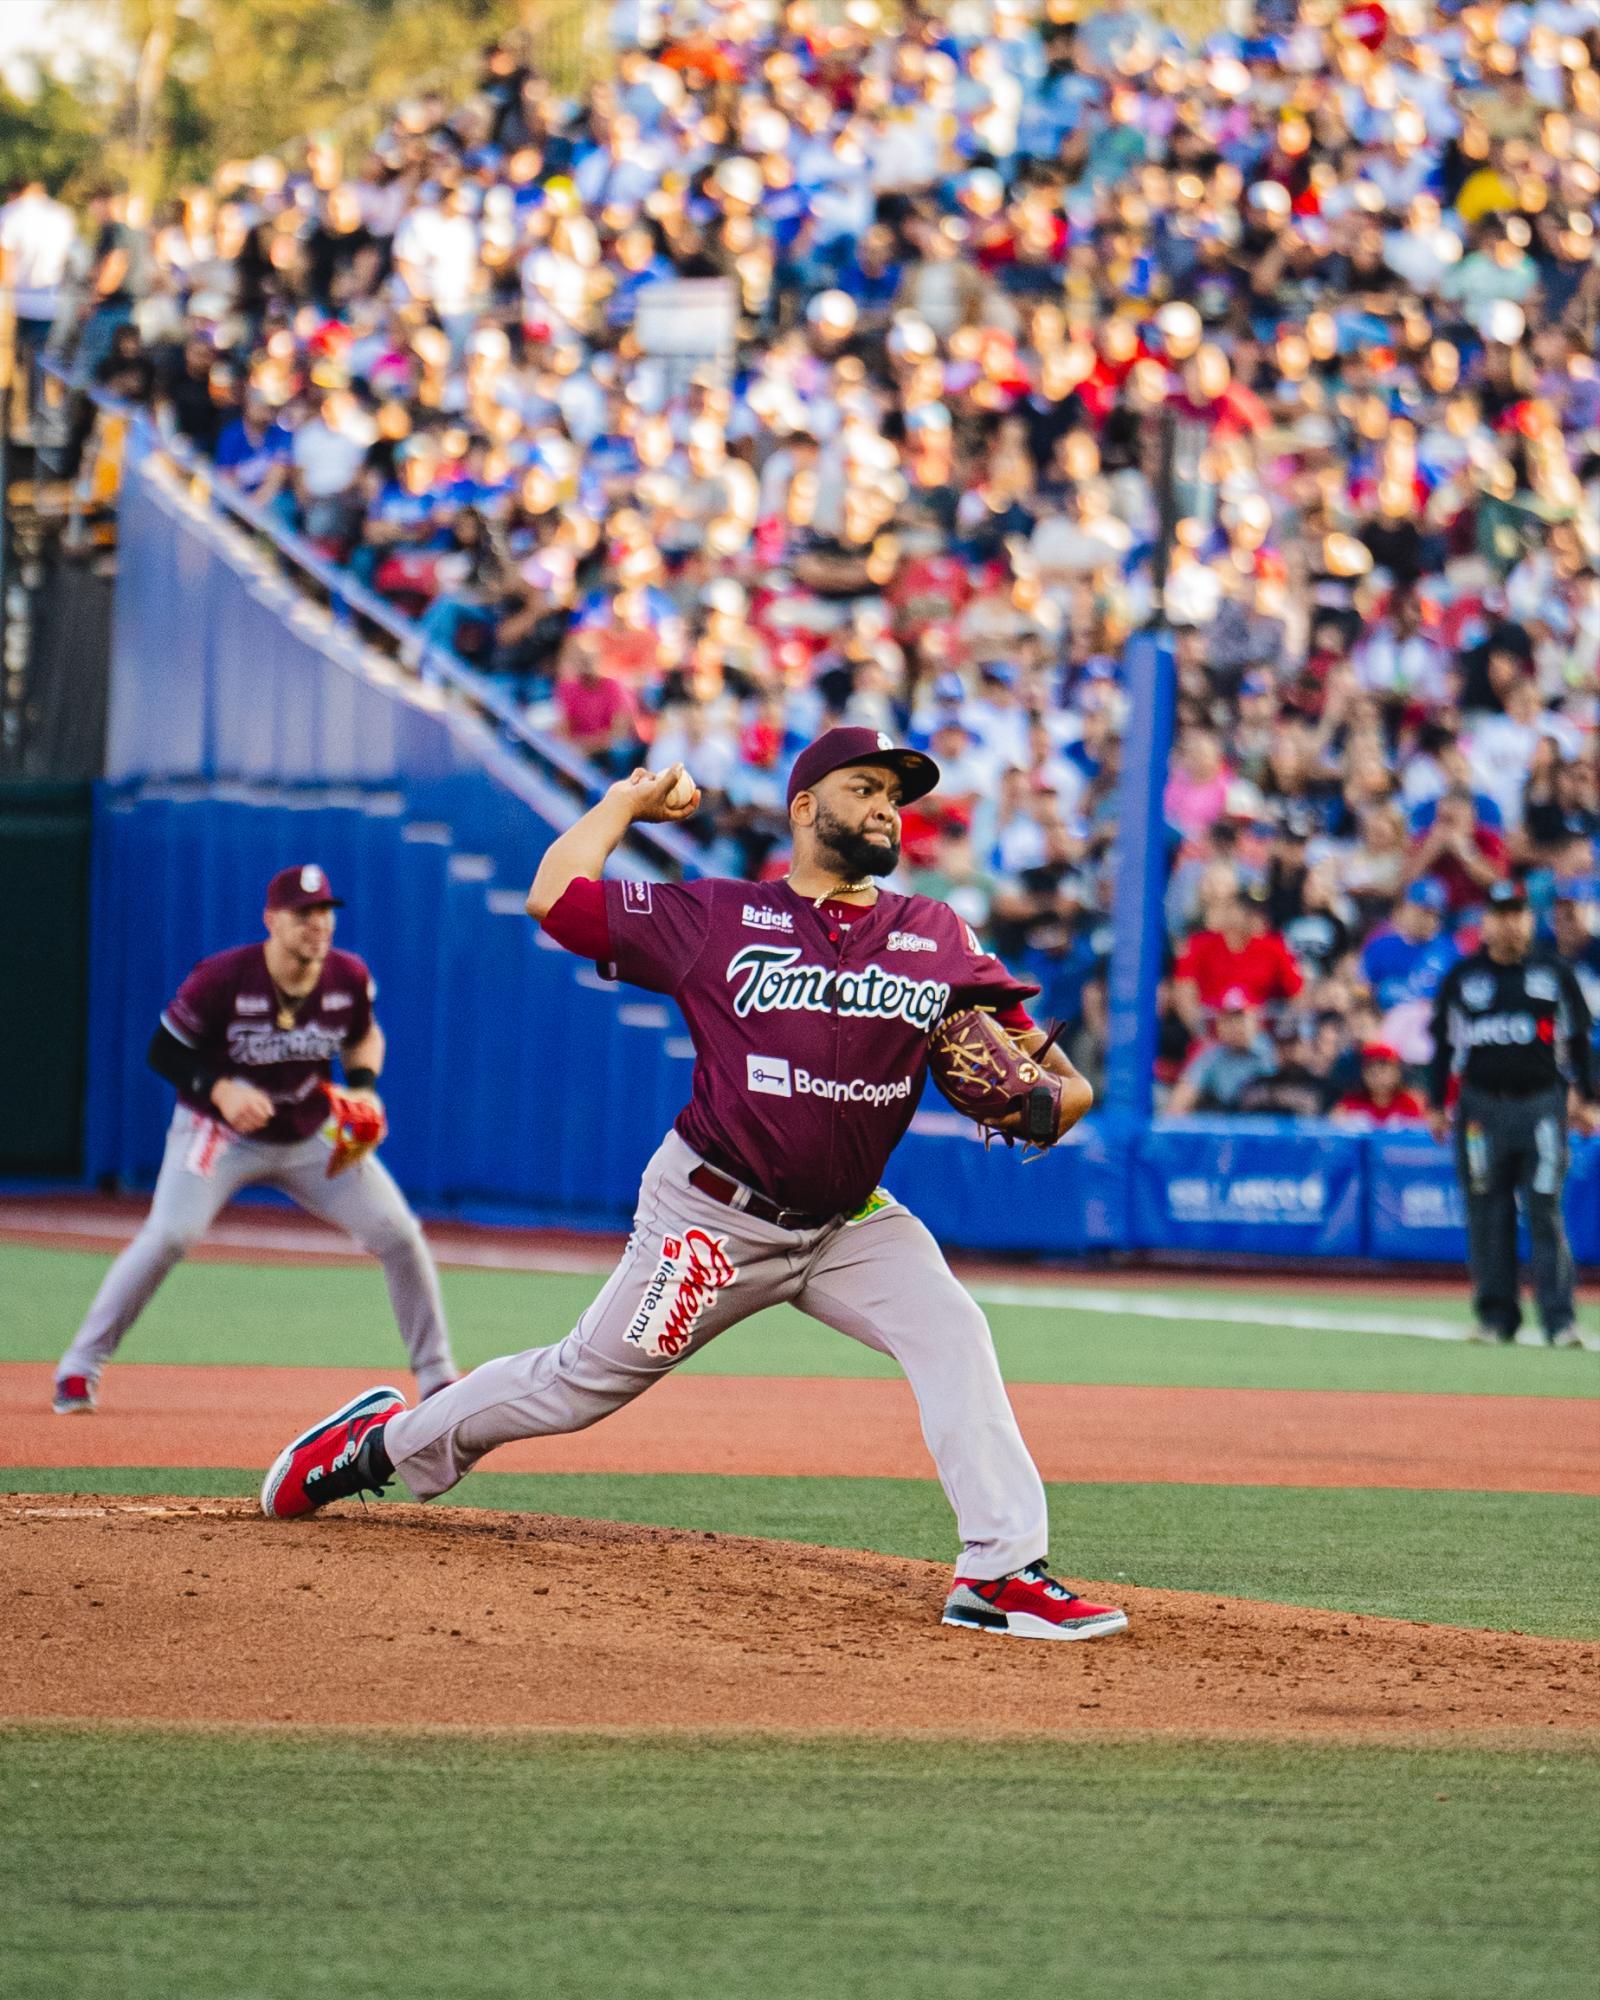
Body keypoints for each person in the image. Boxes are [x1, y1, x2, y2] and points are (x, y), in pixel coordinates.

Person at [261, 728, 1130, 1645]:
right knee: (578, 1383)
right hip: (712, 1221)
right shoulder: (716, 917)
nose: (886, 807)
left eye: (895, 797)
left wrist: (1055, 1097)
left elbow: (1043, 1065)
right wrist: (625, 805)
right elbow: (554, 899)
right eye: (866, 787)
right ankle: (377, 1446)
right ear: (805, 808)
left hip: (852, 1223)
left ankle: (1000, 1574)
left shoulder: (935, 933)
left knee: (954, 1332)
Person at [52, 866, 458, 1412]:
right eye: (303, 913)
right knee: (171, 1234)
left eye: (325, 912)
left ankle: (436, 1377)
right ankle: (80, 1367)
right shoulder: (223, 977)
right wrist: (220, 1088)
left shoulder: (347, 975)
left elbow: (363, 1036)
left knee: (399, 1233)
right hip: (218, 1133)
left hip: (309, 1133)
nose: (318, 924)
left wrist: (364, 1088)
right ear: (271, 920)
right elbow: (164, 1051)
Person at [1426, 880, 1599, 1348]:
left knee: (1545, 1207)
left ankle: (1559, 1321)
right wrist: (1435, 1104)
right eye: (1500, 913)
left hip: (1542, 1106)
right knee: (1487, 1211)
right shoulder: (1463, 978)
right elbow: (1442, 1047)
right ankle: (1496, 1317)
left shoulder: (1554, 974)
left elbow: (1581, 1042)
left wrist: (1589, 1097)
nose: (1509, 922)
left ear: (1529, 918)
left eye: (1517, 913)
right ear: (1485, 921)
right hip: (1480, 1109)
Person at [1333, 1044, 1427, 1127]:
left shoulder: (1409, 1104)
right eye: (1373, 1072)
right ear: (1363, 1074)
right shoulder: (1350, 1103)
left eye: (1384, 1071)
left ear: (1397, 1073)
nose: (1379, 1078)